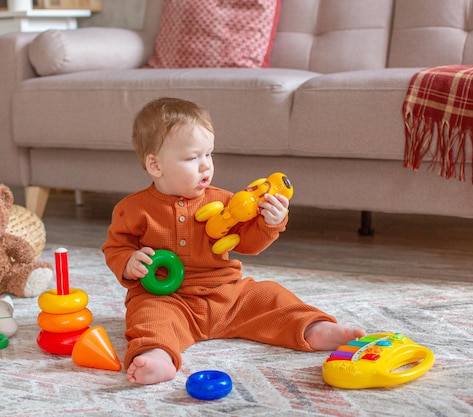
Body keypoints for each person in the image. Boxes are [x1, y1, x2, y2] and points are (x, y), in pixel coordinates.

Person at [102, 97, 365, 385]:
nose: (205, 166)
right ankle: (158, 356)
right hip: (168, 299)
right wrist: (128, 262)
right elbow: (116, 247)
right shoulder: (132, 208)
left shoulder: (225, 201)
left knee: (270, 295)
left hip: (227, 294)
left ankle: (314, 328)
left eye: (209, 155)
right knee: (148, 316)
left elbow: (248, 244)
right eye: (192, 158)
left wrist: (270, 222)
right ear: (155, 165)